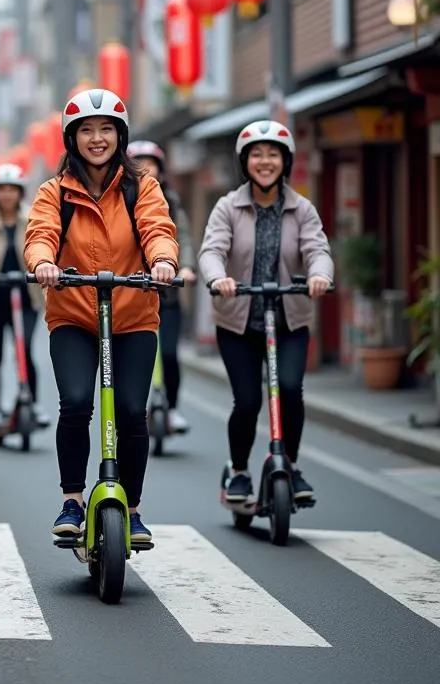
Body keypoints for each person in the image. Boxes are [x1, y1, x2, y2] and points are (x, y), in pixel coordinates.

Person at [24, 89, 178, 544]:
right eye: (87, 130)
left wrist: (164, 261)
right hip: (72, 314)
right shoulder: (56, 191)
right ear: (72, 138)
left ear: (120, 136)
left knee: (132, 411)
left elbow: (157, 228)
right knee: (75, 403)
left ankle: (131, 507)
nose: (97, 138)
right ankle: (72, 500)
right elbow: (40, 234)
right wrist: (43, 263)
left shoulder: (141, 186)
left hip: (132, 316)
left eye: (106, 129)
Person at [198, 119, 333, 504]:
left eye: (273, 154)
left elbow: (317, 250)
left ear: (285, 161)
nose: (265, 161)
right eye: (256, 154)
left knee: (290, 390)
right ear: (245, 162)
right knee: (248, 401)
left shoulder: (302, 209)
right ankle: (238, 472)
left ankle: (289, 463)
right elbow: (212, 250)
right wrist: (217, 278)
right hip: (238, 320)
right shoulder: (228, 206)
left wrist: (320, 275)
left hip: (289, 317)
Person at [0, 162, 48, 430]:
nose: (6, 195)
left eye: (12, 189)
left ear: (19, 192)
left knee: (24, 348)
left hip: (27, 296)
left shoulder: (33, 217)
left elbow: (44, 242)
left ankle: (33, 404)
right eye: (1, 189)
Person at [126, 140, 197, 433]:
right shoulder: (121, 197)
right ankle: (132, 407)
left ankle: (173, 407)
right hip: (129, 292)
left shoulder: (171, 201)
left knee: (168, 353)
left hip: (165, 294)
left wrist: (187, 266)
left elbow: (184, 237)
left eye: (151, 163)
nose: (146, 169)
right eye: (138, 163)